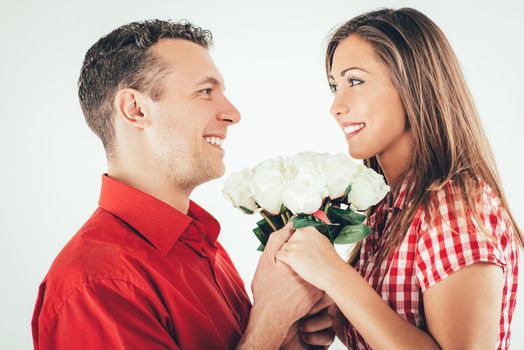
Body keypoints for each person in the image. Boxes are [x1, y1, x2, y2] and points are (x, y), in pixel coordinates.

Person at [31, 20, 334, 349]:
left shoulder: (201, 245)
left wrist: (285, 340)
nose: (232, 113)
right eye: (205, 91)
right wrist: (271, 315)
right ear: (135, 109)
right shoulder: (96, 284)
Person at [275, 7, 523, 350]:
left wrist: (335, 275)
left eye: (355, 81)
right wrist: (335, 312)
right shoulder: (387, 210)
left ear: (414, 85)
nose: (336, 106)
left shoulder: (452, 207)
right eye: (335, 86)